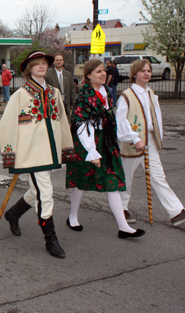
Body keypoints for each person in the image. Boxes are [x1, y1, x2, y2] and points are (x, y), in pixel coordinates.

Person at [0, 51, 73, 259]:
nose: (41, 66)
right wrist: (11, 154)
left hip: (50, 153)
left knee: (37, 191)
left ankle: (13, 213)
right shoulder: (20, 95)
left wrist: (66, 147)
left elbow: (63, 122)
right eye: (36, 64)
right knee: (45, 194)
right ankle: (51, 239)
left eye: (44, 63)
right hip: (31, 155)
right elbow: (6, 125)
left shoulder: (55, 93)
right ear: (29, 68)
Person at [65, 59, 145, 239]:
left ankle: (124, 228)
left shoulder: (106, 93)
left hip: (106, 142)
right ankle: (72, 217)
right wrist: (91, 151)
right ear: (88, 76)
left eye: (103, 71)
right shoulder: (84, 96)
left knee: (112, 182)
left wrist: (133, 137)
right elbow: (81, 125)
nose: (103, 74)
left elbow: (114, 120)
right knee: (81, 181)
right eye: (98, 71)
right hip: (87, 143)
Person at [116, 59, 185, 226]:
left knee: (158, 176)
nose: (147, 73)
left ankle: (176, 211)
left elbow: (155, 119)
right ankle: (121, 208)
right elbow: (121, 121)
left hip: (150, 141)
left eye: (148, 70)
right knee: (126, 177)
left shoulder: (151, 94)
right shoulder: (126, 96)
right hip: (132, 143)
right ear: (134, 74)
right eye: (142, 71)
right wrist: (135, 138)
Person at [46, 53, 76, 117]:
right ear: (54, 62)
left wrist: (75, 104)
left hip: (66, 106)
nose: (59, 62)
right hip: (54, 106)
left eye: (60, 60)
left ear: (63, 61)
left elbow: (72, 90)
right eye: (57, 60)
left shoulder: (68, 74)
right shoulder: (48, 74)